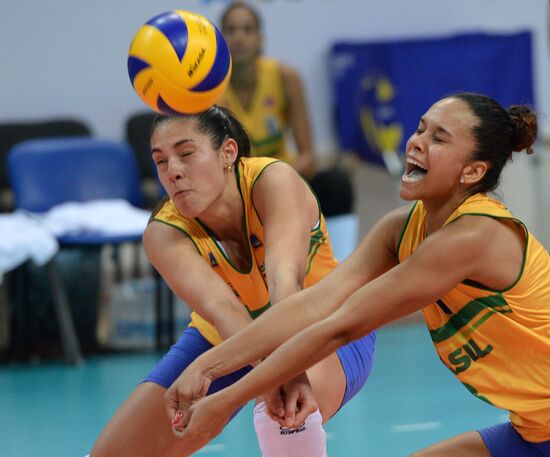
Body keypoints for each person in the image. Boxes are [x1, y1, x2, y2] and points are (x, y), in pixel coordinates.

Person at [167, 93, 550, 457]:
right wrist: (207, 366)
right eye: (420, 129)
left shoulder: (475, 235)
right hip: (534, 433)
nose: (416, 142)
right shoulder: (401, 229)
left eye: (439, 138)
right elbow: (315, 304)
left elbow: (341, 326)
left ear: (474, 171)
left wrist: (225, 398)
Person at [89, 106, 376, 457]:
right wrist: (269, 373)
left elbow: (286, 287)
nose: (173, 172)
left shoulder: (273, 181)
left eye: (187, 154)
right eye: (161, 161)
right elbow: (222, 309)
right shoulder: (164, 232)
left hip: (323, 324)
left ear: (227, 152)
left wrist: (289, 369)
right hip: (225, 336)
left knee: (284, 411)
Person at [218, 1, 317, 179]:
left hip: (283, 178)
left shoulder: (286, 78)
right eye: (230, 30)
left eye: (248, 30)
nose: (239, 38)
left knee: (336, 183)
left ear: (260, 39)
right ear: (219, 40)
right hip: (237, 186)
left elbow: (308, 158)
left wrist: (278, 181)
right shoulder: (209, 89)